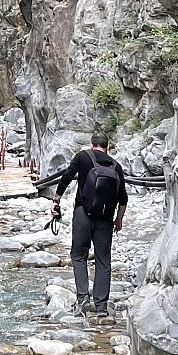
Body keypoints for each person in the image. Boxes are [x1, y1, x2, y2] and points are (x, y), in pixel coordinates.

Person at [52, 132, 127, 316]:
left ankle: (83, 298)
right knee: (103, 260)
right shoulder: (116, 166)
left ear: (92, 144)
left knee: (78, 255)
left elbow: (67, 177)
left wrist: (55, 200)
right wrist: (119, 219)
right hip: (105, 219)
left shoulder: (83, 156)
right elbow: (123, 198)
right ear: (107, 147)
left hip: (83, 214)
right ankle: (101, 306)